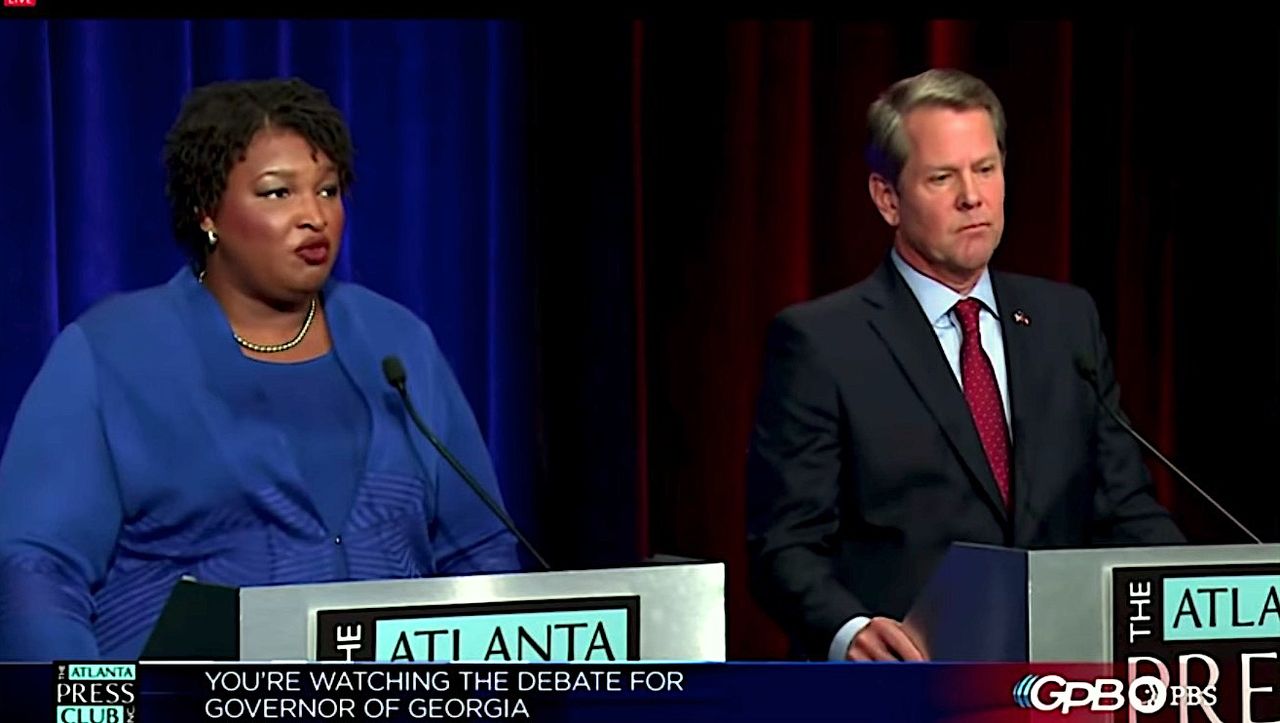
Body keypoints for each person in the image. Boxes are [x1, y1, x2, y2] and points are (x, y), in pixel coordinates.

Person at [0, 77, 521, 661]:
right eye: (278, 194)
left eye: (328, 191)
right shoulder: (110, 354)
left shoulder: (398, 345)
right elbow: (36, 573)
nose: (313, 217)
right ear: (208, 213)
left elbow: (478, 551)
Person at [745, 68, 1184, 663]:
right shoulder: (823, 342)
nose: (972, 197)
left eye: (985, 169)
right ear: (888, 198)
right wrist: (848, 629)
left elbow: (1126, 509)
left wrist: (1200, 595)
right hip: (905, 685)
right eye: (942, 177)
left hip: (1061, 679)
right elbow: (784, 545)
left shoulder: (1065, 321)